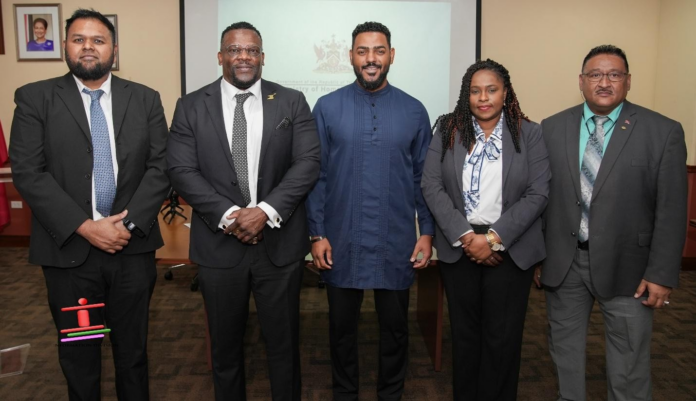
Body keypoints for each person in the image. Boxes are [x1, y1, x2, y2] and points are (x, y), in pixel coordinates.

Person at [9, 8, 169, 401]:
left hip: (131, 249)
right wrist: (85, 226)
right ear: (65, 46)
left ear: (114, 49)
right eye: (79, 39)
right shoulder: (35, 98)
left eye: (98, 40)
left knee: (132, 352)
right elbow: (29, 172)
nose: (88, 47)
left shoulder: (145, 99)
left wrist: (125, 226)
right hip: (70, 254)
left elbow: (162, 166)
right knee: (80, 353)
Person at [167, 21, 320, 401]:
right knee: (224, 350)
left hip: (279, 247)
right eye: (235, 50)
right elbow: (181, 170)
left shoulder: (291, 101)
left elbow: (308, 163)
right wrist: (232, 216)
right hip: (219, 247)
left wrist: (264, 211)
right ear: (221, 56)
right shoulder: (190, 106)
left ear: (262, 57)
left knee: (284, 347)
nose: (244, 57)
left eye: (251, 50)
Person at [539, 44, 687, 401]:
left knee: (629, 361)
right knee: (564, 351)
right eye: (595, 75)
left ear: (628, 81)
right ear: (581, 81)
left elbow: (672, 210)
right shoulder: (552, 127)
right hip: (565, 264)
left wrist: (662, 274)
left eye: (614, 75)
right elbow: (541, 198)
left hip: (630, 268)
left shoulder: (662, 131)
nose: (604, 82)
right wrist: (539, 257)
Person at [306, 21, 434, 401]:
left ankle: (390, 394)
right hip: (341, 239)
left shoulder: (414, 110)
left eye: (379, 51)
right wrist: (317, 233)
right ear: (350, 56)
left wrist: (427, 231)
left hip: (396, 240)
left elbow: (423, 179)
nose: (371, 59)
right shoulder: (327, 108)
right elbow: (317, 176)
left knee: (395, 329)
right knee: (341, 330)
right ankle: (345, 393)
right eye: (362, 51)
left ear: (391, 55)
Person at [421, 59, 550, 400]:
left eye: (491, 90)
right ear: (466, 95)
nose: (483, 98)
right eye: (475, 91)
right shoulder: (448, 129)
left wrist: (493, 239)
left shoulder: (530, 133)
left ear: (505, 92)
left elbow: (538, 193)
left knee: (502, 338)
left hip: (511, 246)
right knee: (464, 336)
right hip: (460, 244)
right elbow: (431, 185)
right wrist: (468, 237)